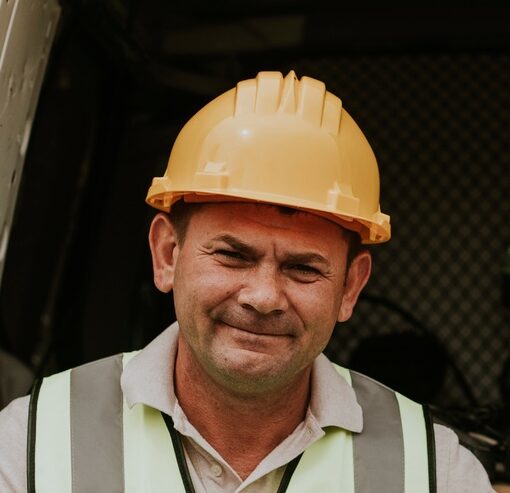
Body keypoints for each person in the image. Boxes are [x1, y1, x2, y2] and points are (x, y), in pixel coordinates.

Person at [0, 71, 494, 492]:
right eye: (232, 256)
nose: (262, 297)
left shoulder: (436, 473)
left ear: (350, 287)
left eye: (302, 268)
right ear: (167, 255)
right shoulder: (29, 446)